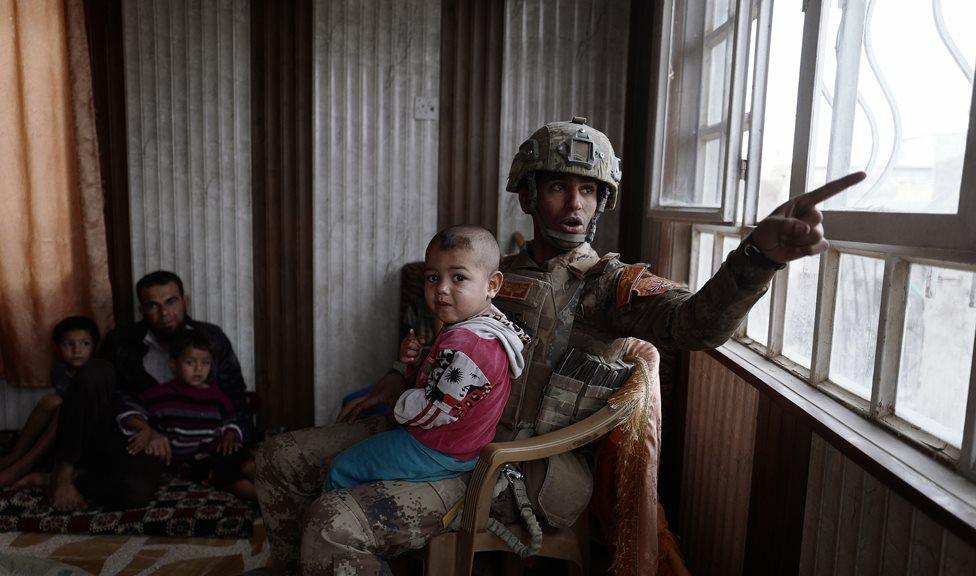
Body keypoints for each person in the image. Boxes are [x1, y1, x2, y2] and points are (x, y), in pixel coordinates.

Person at [254, 117, 866, 575]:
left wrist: (756, 259)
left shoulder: (609, 286)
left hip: (509, 466)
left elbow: (696, 325)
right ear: (528, 195)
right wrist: (393, 376)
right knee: (280, 457)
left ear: (602, 201)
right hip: (432, 432)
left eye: (590, 190)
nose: (575, 204)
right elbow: (432, 331)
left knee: (333, 523)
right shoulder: (486, 271)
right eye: (559, 187)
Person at [324, 225, 528, 492]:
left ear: (491, 285)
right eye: (433, 277)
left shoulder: (474, 347)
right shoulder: (479, 325)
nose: (442, 288)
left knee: (342, 469)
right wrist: (419, 360)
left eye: (458, 278)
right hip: (452, 442)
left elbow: (435, 408)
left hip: (440, 450)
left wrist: (395, 399)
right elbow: (447, 379)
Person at [48, 270, 251, 511]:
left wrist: (232, 433)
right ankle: (62, 474)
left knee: (132, 493)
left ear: (185, 302)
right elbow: (110, 397)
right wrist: (143, 428)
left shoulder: (210, 339)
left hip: (184, 444)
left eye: (171, 302)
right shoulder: (120, 341)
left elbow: (235, 396)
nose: (164, 314)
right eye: (153, 306)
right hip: (134, 435)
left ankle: (79, 477)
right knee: (95, 369)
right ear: (142, 310)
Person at [119, 330, 256, 500]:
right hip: (191, 461)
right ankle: (269, 504)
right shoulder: (161, 395)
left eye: (205, 363)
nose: (199, 369)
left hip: (218, 450)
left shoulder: (216, 395)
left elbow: (232, 419)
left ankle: (279, 494)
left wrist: (230, 433)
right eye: (190, 362)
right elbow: (130, 407)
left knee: (245, 461)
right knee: (231, 480)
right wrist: (144, 428)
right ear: (174, 365)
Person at [0, 316, 99, 487]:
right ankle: (17, 454)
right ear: (59, 347)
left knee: (66, 406)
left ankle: (24, 465)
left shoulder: (97, 372)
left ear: (94, 346)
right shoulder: (60, 371)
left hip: (85, 431)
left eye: (85, 344)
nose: (77, 350)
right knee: (51, 400)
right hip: (61, 429)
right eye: (69, 344)